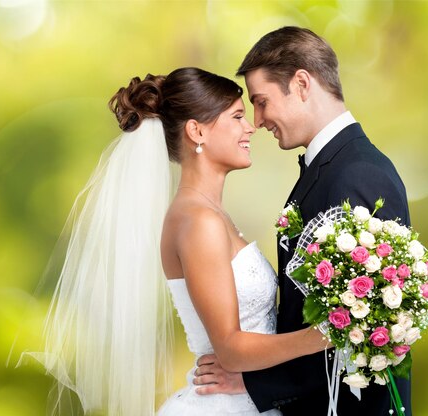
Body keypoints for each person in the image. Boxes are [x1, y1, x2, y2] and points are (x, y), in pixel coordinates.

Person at [23, 67, 328, 416]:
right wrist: (323, 334)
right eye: (238, 116)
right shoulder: (199, 221)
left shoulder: (208, 214)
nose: (251, 127)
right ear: (196, 131)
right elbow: (229, 348)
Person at [193, 26, 412, 416]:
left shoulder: (355, 173)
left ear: (301, 83)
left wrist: (256, 382)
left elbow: (363, 332)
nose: (258, 121)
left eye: (261, 102)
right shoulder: (331, 168)